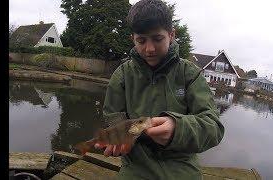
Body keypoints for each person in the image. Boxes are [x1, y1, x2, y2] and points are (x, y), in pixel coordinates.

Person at [95, 0, 225, 179]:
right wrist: (120, 143)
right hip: (135, 169)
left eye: (157, 39)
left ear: (171, 35)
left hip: (182, 170)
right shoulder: (122, 75)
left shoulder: (191, 74)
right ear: (132, 39)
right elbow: (114, 122)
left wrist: (177, 129)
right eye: (141, 40)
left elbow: (214, 128)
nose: (149, 49)